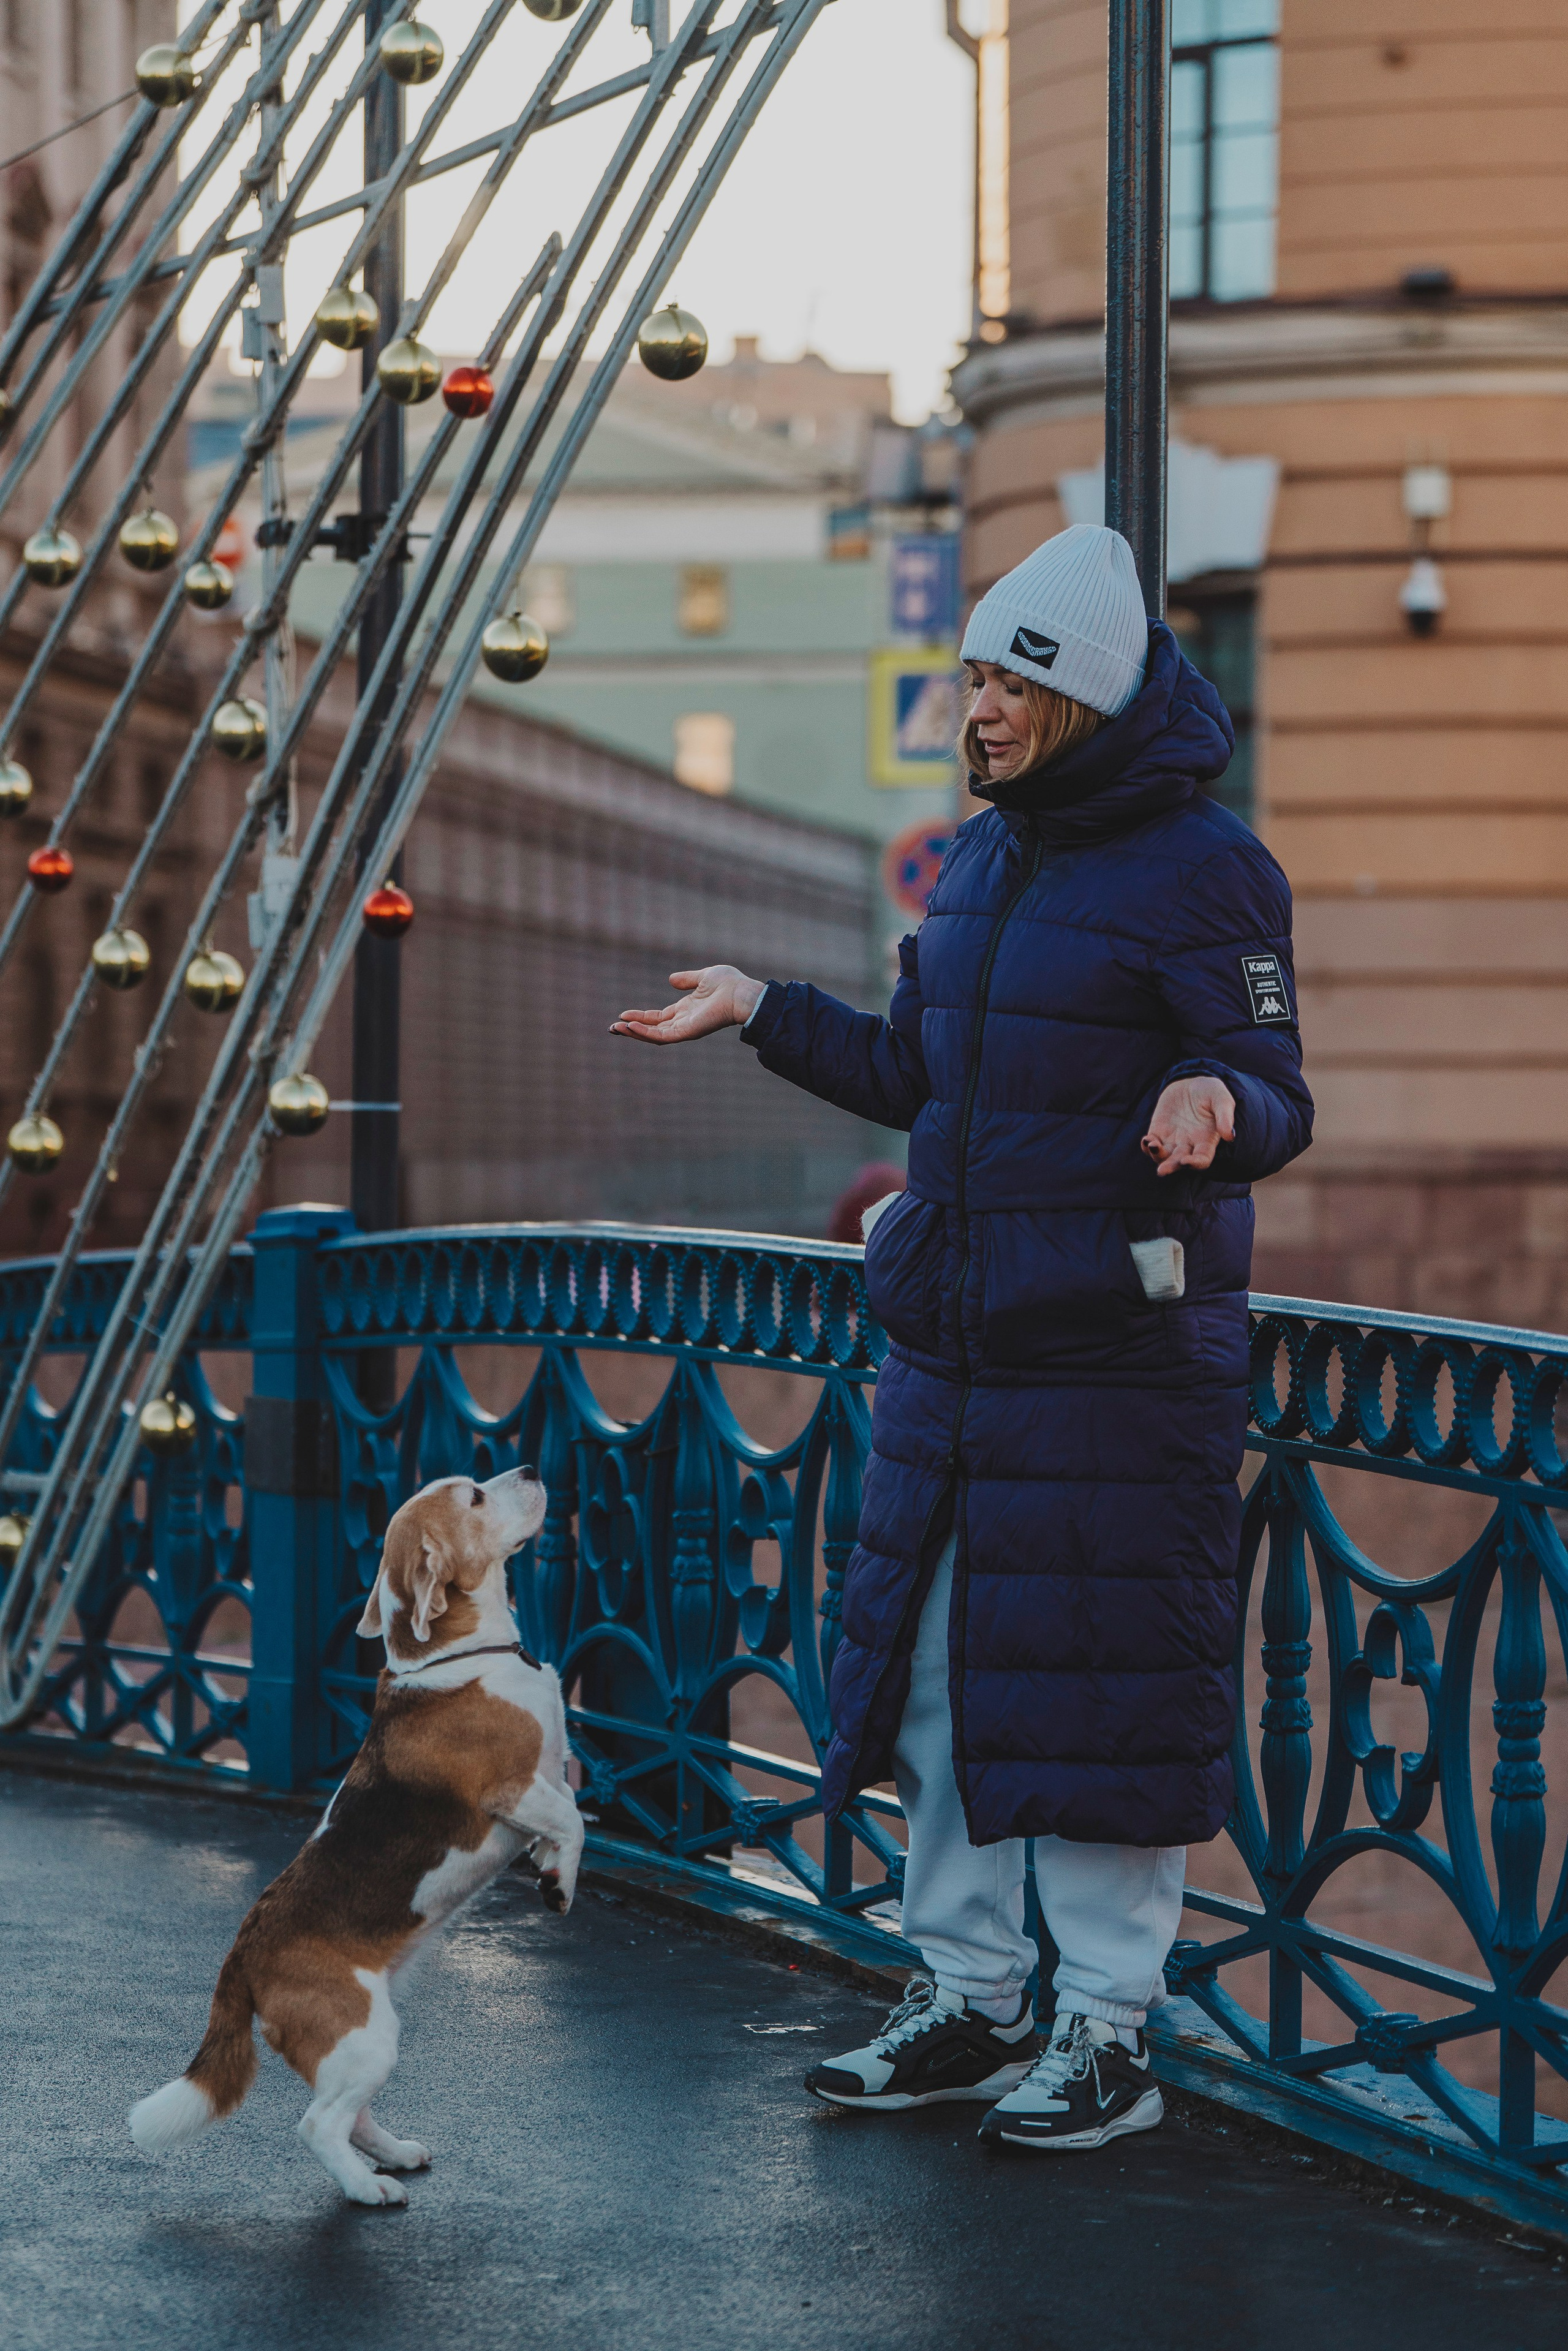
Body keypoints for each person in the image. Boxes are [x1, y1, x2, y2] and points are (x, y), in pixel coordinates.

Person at [611, 524, 1312, 2154]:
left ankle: (1107, 2031)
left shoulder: (1211, 869)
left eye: (1005, 683)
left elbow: (1279, 1088)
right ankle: (970, 1997)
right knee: (939, 1686)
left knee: (1097, 1695)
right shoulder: (982, 862)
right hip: (957, 1351)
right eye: (972, 676)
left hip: (1117, 1359)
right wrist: (764, 1009)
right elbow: (914, 1075)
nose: (975, 707)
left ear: (1077, 699)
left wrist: (1216, 1098)